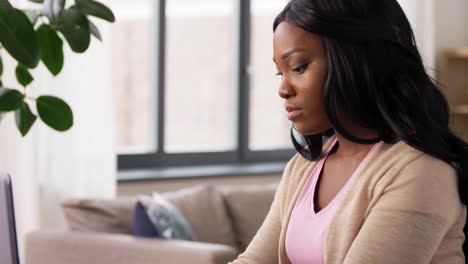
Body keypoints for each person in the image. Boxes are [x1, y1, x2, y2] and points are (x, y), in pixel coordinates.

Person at [228, 0, 468, 263]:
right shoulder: (303, 168)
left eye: (298, 67)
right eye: (280, 73)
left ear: (355, 58)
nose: (283, 89)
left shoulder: (422, 172)